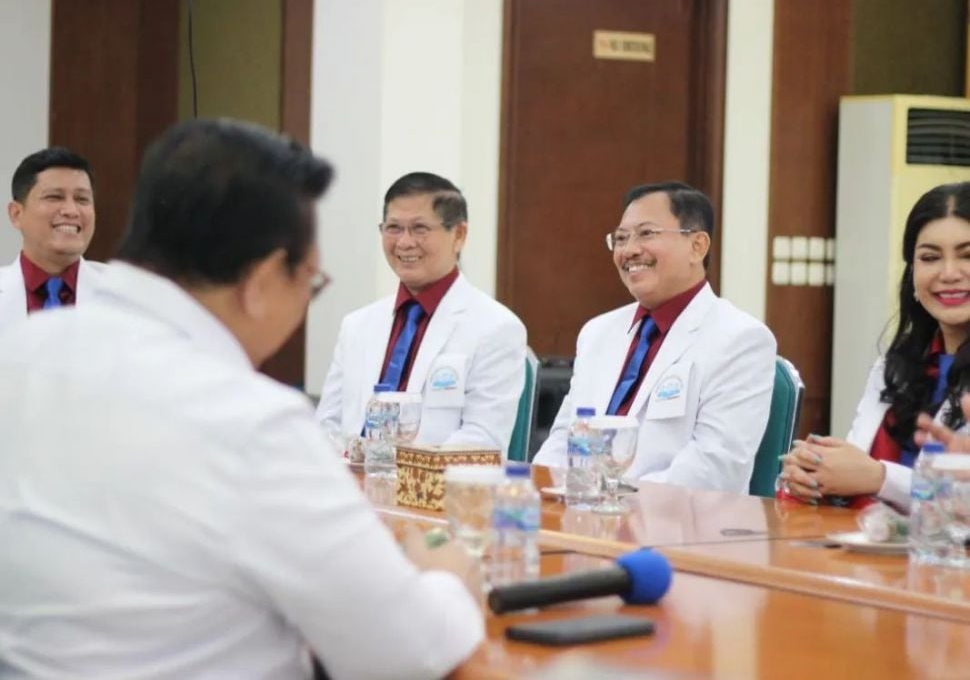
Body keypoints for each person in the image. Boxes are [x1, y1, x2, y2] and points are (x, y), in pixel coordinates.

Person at [0, 120, 482, 679]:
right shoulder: (251, 423)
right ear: (260, 282)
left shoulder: (18, 355)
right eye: (309, 282)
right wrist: (447, 574)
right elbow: (407, 653)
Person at [533, 181, 777, 493]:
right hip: (582, 516)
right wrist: (540, 492)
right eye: (621, 238)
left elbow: (714, 468)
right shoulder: (597, 333)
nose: (630, 250)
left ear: (697, 246)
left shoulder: (741, 340)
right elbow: (564, 439)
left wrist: (614, 502)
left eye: (646, 234)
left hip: (678, 528)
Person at [781, 181, 970, 511]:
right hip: (867, 551)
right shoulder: (893, 368)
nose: (949, 273)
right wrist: (814, 473)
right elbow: (854, 469)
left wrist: (880, 478)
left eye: (967, 255)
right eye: (930, 257)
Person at [316, 172, 526, 452]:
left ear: (459, 235)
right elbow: (327, 426)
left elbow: (482, 440)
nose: (404, 242)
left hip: (438, 491)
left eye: (419, 229)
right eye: (393, 228)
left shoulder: (496, 328)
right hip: (352, 488)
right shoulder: (356, 325)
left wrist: (398, 478)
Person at [0, 146, 103, 326]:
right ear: (16, 214)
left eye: (82, 199)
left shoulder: (125, 298)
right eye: (54, 197)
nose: (71, 211)